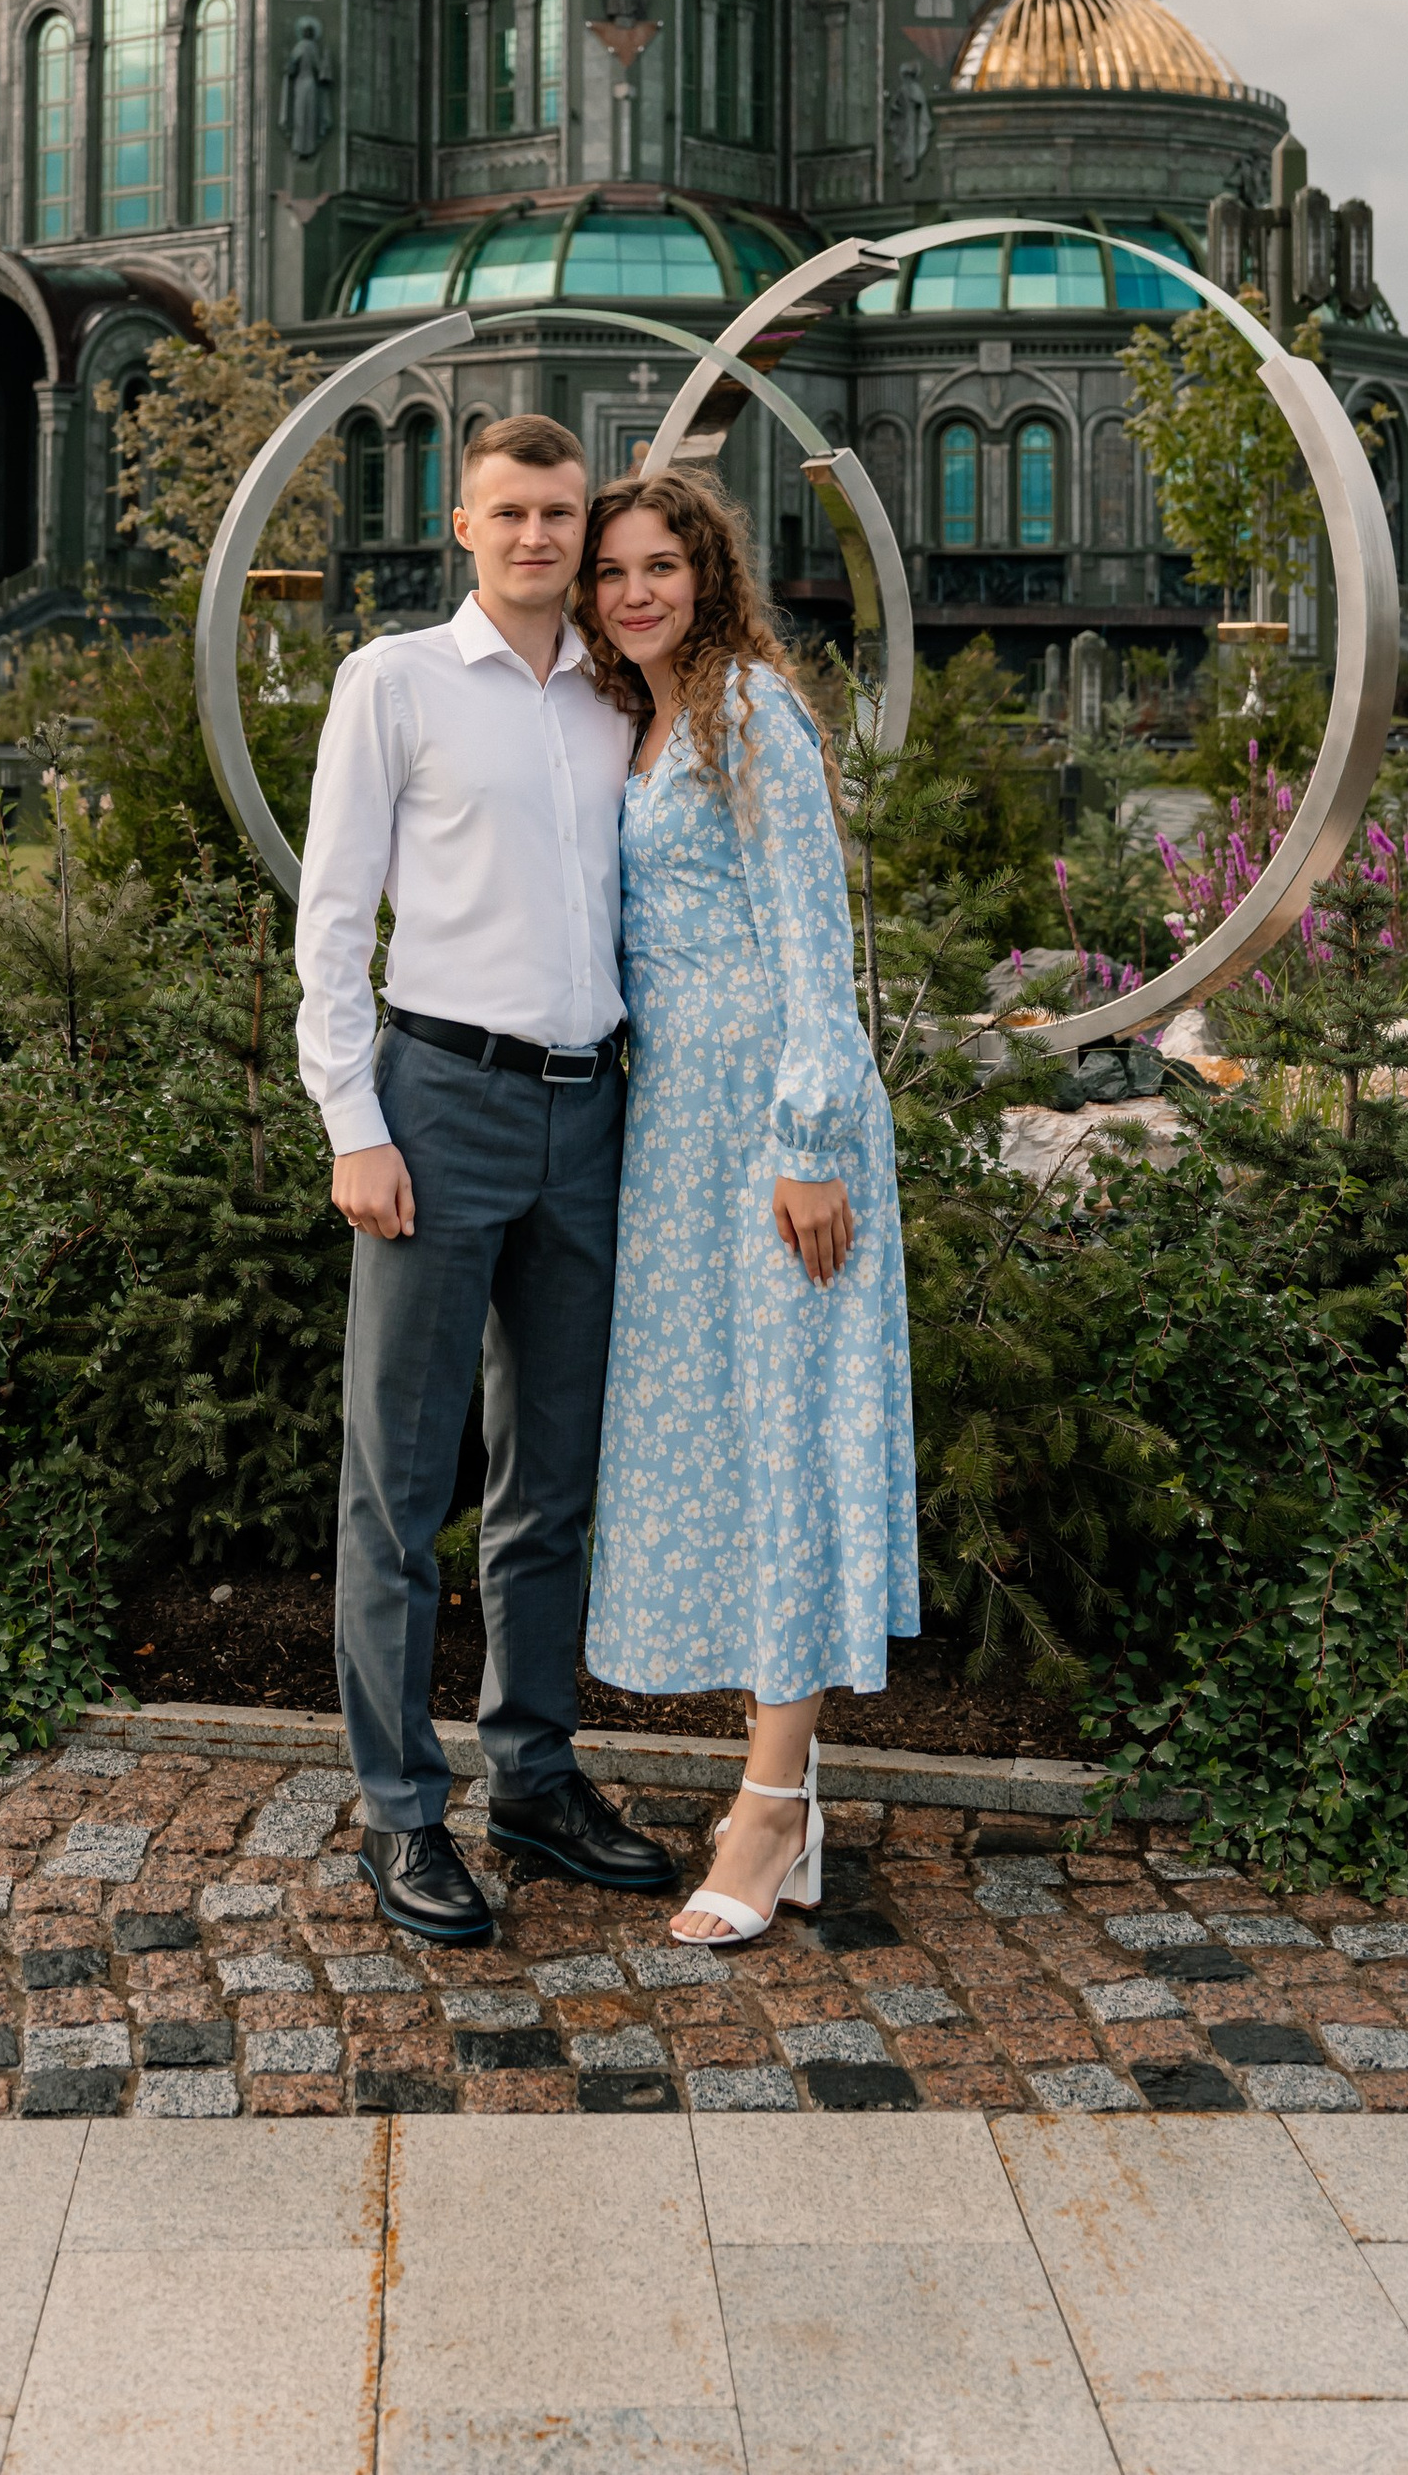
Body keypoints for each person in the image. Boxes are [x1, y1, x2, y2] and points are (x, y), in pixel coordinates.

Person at [295, 412, 676, 1944]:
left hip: (590, 1113)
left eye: (559, 513)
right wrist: (352, 1120)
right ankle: (400, 1811)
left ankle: (534, 1773)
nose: (536, 535)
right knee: (399, 1486)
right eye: (509, 511)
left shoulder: (616, 698)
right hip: (437, 1102)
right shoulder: (394, 682)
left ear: (586, 526)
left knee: (551, 1480)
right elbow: (333, 918)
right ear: (463, 524)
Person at [575, 466, 918, 1946]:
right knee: (723, 1439)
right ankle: (790, 1789)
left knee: (788, 1440)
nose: (634, 592)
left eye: (660, 565)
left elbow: (811, 935)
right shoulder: (637, 720)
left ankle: (769, 1809)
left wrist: (811, 1138)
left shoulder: (747, 711)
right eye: (611, 572)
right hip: (676, 1135)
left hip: (776, 1125)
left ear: (708, 572)